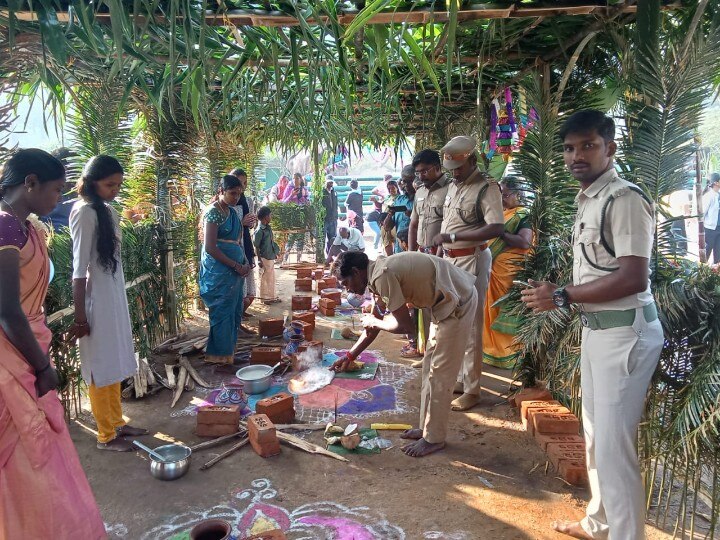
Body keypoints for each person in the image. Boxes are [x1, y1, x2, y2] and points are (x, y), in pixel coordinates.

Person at [521, 110, 664, 540]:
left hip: (625, 332)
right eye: (569, 148)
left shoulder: (624, 199)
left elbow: (633, 277)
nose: (576, 155)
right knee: (596, 436)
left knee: (615, 448)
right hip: (599, 331)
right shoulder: (591, 199)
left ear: (610, 148)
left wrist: (561, 295)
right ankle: (601, 523)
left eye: (588, 145)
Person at [0, 149, 106, 539]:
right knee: (29, 464)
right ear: (30, 182)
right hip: (13, 357)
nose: (58, 200)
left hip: (27, 346)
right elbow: (8, 311)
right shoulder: (5, 228)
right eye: (56, 190)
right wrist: (43, 367)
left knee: (42, 456)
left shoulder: (25, 227)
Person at [329, 251, 477, 458]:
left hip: (459, 304)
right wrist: (350, 355)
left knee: (440, 375)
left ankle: (434, 438)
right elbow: (373, 326)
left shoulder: (381, 276)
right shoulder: (375, 277)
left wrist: (376, 322)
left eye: (345, 283)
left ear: (356, 271)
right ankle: (428, 429)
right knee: (429, 370)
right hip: (442, 307)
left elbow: (404, 326)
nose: (348, 290)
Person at [69, 155, 147, 452]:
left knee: (114, 359)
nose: (114, 189)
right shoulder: (84, 212)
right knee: (100, 365)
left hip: (113, 296)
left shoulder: (107, 211)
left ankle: (117, 421)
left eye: (118, 185)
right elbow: (78, 270)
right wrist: (80, 317)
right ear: (91, 183)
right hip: (94, 301)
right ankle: (105, 435)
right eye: (108, 184)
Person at [431, 136, 504, 412]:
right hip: (450, 260)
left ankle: (473, 389)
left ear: (472, 160)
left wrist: (454, 235)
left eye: (458, 168)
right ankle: (461, 378)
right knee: (452, 318)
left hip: (472, 261)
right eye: (450, 169)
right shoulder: (454, 185)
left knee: (472, 324)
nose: (454, 173)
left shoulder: (487, 189)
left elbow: (496, 228)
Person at [199, 175, 252, 364]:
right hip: (220, 273)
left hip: (234, 273)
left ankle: (228, 352)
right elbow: (211, 247)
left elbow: (237, 241)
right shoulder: (213, 212)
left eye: (239, 194)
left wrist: (244, 263)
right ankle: (218, 356)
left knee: (234, 310)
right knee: (222, 312)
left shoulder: (231, 212)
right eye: (232, 193)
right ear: (221, 191)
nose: (236, 197)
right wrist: (236, 265)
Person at [482, 177, 533, 369]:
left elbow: (525, 242)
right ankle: (492, 350)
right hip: (494, 269)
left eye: (505, 195)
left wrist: (500, 233)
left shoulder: (522, 215)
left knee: (504, 310)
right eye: (500, 195)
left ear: (517, 194)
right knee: (491, 310)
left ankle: (510, 352)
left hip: (510, 271)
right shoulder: (504, 213)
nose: (502, 200)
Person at [230, 168, 258, 334]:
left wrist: (250, 222)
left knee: (249, 291)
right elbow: (222, 232)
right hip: (232, 251)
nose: (243, 186)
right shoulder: (219, 207)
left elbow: (248, 226)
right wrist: (241, 222)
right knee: (236, 291)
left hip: (244, 245)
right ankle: (235, 324)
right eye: (240, 182)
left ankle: (238, 318)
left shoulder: (245, 200)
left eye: (245, 183)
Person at [409, 149, 450, 256]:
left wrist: (439, 258)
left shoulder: (452, 189)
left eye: (424, 171)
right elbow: (413, 225)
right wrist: (411, 254)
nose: (421, 177)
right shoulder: (420, 192)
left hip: (443, 254)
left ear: (437, 167)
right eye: (417, 173)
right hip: (422, 253)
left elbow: (450, 227)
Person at [253, 205, 281, 304]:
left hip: (270, 256)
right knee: (264, 278)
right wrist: (259, 260)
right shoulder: (259, 231)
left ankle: (271, 297)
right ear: (265, 217)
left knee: (271, 278)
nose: (271, 217)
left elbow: (271, 242)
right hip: (264, 258)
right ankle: (265, 298)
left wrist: (276, 251)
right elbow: (256, 246)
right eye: (270, 215)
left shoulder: (268, 228)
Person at [282, 175, 310, 263]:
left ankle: (298, 259)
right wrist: (291, 195)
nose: (295, 180)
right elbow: (284, 202)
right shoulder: (289, 188)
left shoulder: (304, 189)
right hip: (292, 217)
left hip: (302, 217)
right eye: (294, 178)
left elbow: (307, 202)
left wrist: (304, 198)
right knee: (291, 238)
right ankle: (285, 259)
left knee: (301, 238)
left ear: (301, 179)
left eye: (297, 178)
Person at [702, 172, 720, 264]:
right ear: (716, 183)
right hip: (710, 229)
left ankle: (716, 274)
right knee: (707, 252)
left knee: (718, 254)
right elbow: (702, 214)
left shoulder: (718, 195)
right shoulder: (709, 196)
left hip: (718, 228)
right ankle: (701, 273)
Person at [379, 180, 400, 255]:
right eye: (389, 188)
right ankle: (389, 257)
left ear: (397, 188)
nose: (391, 190)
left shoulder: (400, 198)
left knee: (397, 240)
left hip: (395, 222)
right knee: (386, 240)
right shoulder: (387, 198)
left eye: (393, 188)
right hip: (384, 221)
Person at [322, 178, 339, 255]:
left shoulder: (334, 192)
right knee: (322, 238)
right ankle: (322, 255)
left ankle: (330, 254)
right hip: (324, 219)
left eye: (331, 182)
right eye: (329, 182)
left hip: (333, 218)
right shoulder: (322, 192)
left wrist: (336, 215)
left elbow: (336, 204)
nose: (331, 184)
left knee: (332, 238)